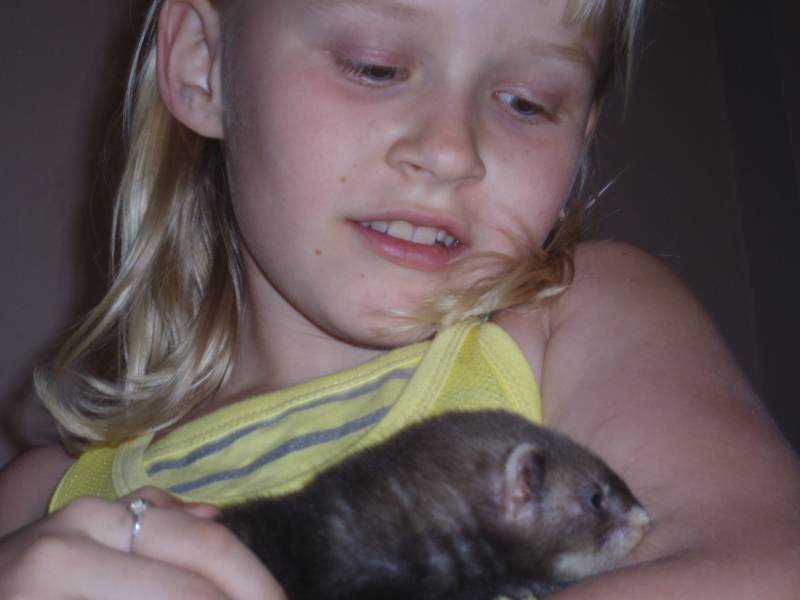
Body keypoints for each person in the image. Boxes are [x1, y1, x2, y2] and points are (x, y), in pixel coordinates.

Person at [1, 0, 799, 598]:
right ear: (203, 65)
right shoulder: (45, 499)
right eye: (374, 65)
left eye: (527, 102)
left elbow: (768, 570)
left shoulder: (581, 320)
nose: (451, 151)